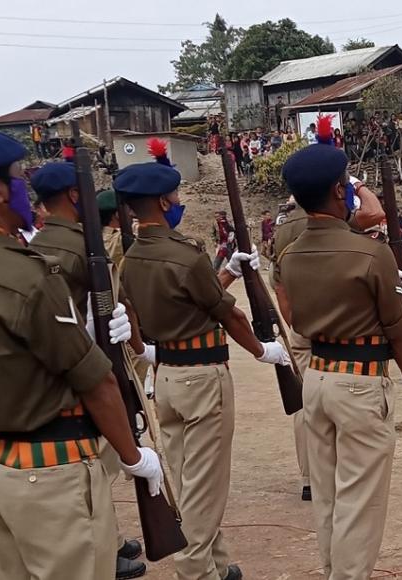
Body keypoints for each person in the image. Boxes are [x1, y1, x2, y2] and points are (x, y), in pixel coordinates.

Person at [0, 99, 164, 580]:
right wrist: (137, 460)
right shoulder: (25, 274)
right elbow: (97, 383)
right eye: (14, 180)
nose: (21, 191)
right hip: (51, 473)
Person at [118, 150, 289, 580]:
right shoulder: (186, 253)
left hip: (169, 376)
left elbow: (150, 313)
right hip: (203, 378)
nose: (178, 201)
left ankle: (214, 562)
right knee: (206, 487)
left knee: (188, 476)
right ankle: (195, 569)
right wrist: (261, 350)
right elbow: (227, 314)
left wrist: (227, 272)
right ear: (162, 202)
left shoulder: (131, 258)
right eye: (174, 194)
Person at [277, 143, 402, 580]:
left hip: (318, 377)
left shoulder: (289, 254)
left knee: (327, 493)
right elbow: (397, 326)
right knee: (360, 500)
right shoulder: (370, 253)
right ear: (336, 190)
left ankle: (333, 570)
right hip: (360, 382)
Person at [27, 162, 152, 579]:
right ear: (76, 196)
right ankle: (105, 546)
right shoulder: (78, 248)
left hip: (66, 368)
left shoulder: (36, 245)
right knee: (97, 470)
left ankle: (111, 540)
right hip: (86, 369)